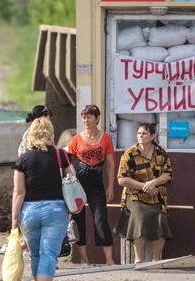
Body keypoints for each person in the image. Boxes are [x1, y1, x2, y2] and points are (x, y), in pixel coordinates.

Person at [12, 116, 72, 281]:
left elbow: (18, 192)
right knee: (48, 254)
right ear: (51, 134)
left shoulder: (23, 159)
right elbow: (73, 180)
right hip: (56, 210)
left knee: (35, 254)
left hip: (29, 211)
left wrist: (14, 219)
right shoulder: (60, 155)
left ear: (31, 134)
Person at [116, 123, 173, 263]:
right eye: (139, 133)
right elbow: (122, 179)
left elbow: (168, 174)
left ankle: (156, 259)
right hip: (135, 195)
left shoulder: (161, 153)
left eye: (145, 133)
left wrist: (152, 183)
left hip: (156, 195)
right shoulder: (129, 154)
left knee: (161, 219)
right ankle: (138, 259)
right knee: (139, 217)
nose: (141, 136)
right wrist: (143, 186)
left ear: (152, 136)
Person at [68, 104, 116, 266]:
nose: (85, 120)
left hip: (96, 184)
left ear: (97, 118)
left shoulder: (106, 138)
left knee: (100, 219)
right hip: (78, 184)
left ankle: (109, 259)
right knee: (78, 220)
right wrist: (68, 184)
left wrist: (110, 186)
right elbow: (67, 163)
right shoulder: (76, 139)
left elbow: (110, 164)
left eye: (89, 117)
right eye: (83, 117)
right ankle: (83, 258)